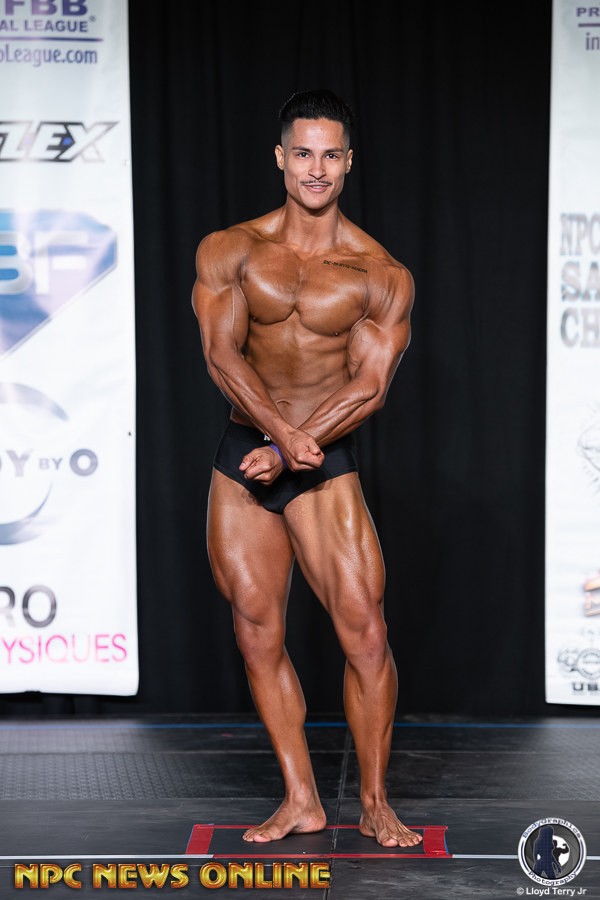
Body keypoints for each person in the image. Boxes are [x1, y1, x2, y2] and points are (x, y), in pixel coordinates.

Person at [192, 89, 420, 849]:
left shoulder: (381, 273)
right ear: (280, 158)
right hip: (247, 451)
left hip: (323, 460)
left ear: (348, 163)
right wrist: (279, 434)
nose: (315, 168)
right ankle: (302, 799)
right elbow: (221, 355)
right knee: (256, 631)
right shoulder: (231, 249)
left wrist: (294, 445)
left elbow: (370, 387)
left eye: (330, 155)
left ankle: (376, 801)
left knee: (367, 635)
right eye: (302, 153)